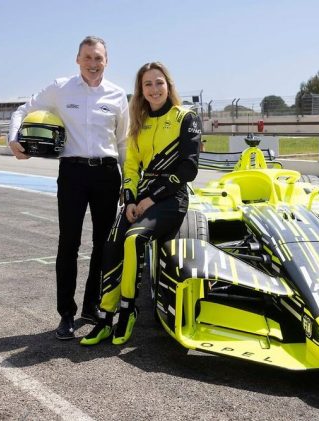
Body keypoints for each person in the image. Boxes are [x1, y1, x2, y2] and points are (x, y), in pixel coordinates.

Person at [7, 36, 129, 340]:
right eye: (87, 57)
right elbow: (21, 110)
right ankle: (66, 314)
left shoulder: (117, 95)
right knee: (68, 244)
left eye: (98, 58)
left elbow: (124, 143)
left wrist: (128, 183)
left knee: (103, 244)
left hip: (107, 174)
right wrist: (14, 139)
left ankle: (91, 306)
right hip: (72, 173)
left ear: (106, 61)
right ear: (77, 60)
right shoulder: (61, 88)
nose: (93, 63)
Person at [80, 62, 201, 346]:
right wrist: (131, 199)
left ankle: (127, 311)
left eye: (159, 83)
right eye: (148, 84)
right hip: (142, 198)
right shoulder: (139, 123)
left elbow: (188, 168)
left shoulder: (186, 117)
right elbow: (132, 166)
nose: (154, 89)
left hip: (172, 198)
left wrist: (150, 198)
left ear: (168, 85)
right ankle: (105, 318)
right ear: (141, 90)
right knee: (112, 242)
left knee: (134, 240)